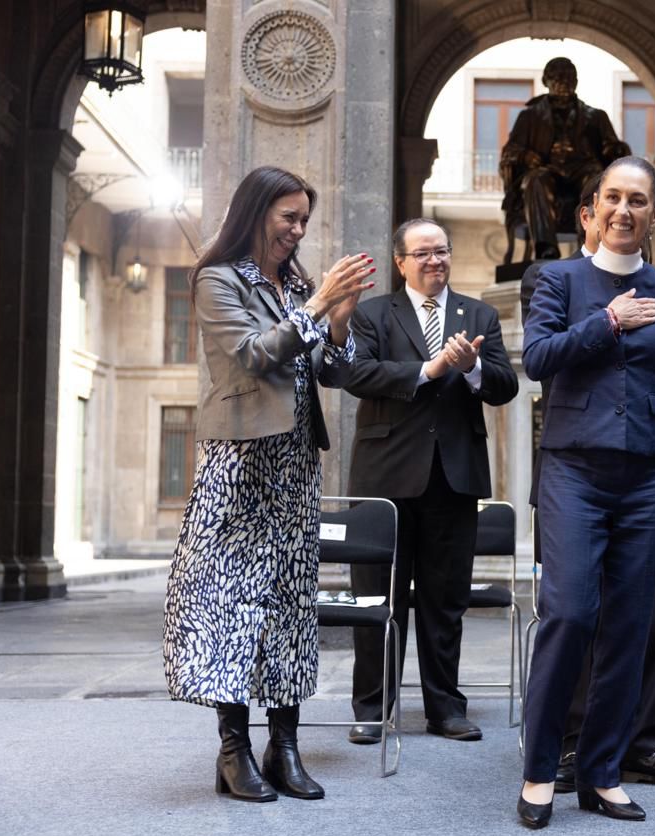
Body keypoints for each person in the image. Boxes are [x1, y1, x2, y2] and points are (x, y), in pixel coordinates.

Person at [162, 165, 373, 802]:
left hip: (294, 465)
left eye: (305, 219)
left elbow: (334, 371)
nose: (299, 230)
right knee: (231, 604)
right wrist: (316, 306)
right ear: (257, 214)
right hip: (239, 463)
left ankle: (285, 748)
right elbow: (253, 356)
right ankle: (234, 751)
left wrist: (340, 319)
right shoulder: (217, 279)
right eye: (289, 217)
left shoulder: (298, 284)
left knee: (288, 606)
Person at [517, 156, 655, 828]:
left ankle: (601, 772)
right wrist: (610, 322)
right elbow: (537, 358)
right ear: (591, 210)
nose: (625, 210)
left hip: (648, 480)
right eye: (614, 198)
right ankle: (541, 770)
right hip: (573, 472)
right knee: (569, 614)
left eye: (639, 200)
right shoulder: (558, 279)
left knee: (630, 626)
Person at [343, 218, 518, 744]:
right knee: (379, 599)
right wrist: (430, 368)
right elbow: (357, 375)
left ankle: (445, 709)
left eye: (441, 251)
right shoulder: (373, 313)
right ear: (401, 262)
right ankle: (372, 708)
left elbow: (506, 385)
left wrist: (472, 369)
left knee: (446, 601)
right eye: (422, 253)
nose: (435, 260)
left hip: (453, 478)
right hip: (385, 478)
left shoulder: (479, 313)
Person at [499, 57, 632, 260]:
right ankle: (546, 249)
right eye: (557, 78)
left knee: (597, 182)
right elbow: (510, 151)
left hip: (584, 168)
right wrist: (525, 155)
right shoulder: (530, 116)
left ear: (576, 81)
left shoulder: (596, 116)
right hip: (547, 169)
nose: (563, 83)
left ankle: (593, 245)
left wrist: (616, 150)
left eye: (569, 78)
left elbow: (613, 147)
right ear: (546, 81)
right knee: (535, 180)